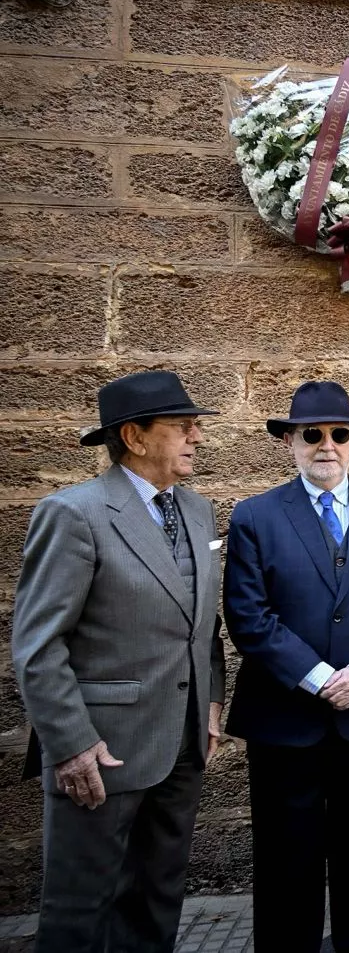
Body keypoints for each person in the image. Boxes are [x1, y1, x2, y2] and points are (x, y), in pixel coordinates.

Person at [11, 370, 225, 952]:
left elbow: (202, 622)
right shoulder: (73, 513)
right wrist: (72, 743)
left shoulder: (199, 511)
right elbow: (37, 645)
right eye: (182, 427)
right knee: (81, 907)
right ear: (133, 436)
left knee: (158, 894)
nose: (196, 438)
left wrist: (210, 701)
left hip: (183, 744)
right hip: (103, 748)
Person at [223, 381, 349, 953]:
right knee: (289, 860)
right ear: (290, 441)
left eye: (340, 433)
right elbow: (247, 615)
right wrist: (316, 677)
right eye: (312, 434)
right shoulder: (255, 517)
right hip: (287, 721)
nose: (326, 445)